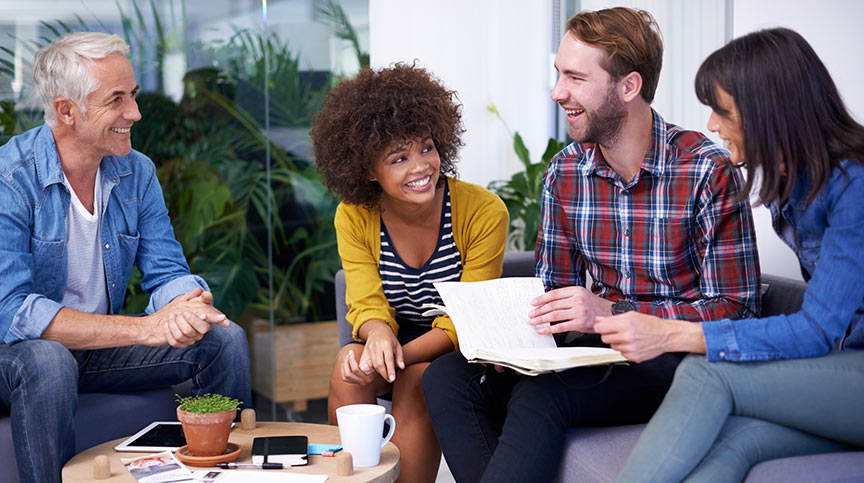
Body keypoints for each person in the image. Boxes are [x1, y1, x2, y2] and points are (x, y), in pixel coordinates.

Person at [422, 7, 762, 482]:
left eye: (575, 78)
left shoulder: (706, 171)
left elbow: (738, 311)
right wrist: (513, 342)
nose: (558, 92)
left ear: (628, 87)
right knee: (446, 378)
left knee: (545, 394)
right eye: (558, 73)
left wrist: (608, 312)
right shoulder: (564, 173)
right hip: (592, 353)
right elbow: (554, 290)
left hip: (674, 362)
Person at [605, 27, 864, 483]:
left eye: (722, 110)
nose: (711, 125)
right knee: (736, 441)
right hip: (845, 370)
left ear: (770, 111)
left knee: (706, 374)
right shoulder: (800, 185)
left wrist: (669, 334)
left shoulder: (854, 186)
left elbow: (818, 330)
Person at [0, 32, 250, 483]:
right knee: (49, 359)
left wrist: (187, 303)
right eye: (116, 100)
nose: (134, 113)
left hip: (94, 352)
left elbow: (166, 270)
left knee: (222, 340)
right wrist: (146, 328)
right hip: (15, 357)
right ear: (66, 110)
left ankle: (223, 474)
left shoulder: (136, 171)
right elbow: (12, 311)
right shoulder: (10, 179)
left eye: (131, 95)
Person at [310, 63, 508, 483]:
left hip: (459, 350)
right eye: (398, 158)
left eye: (427, 148)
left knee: (417, 378)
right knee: (347, 363)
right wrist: (378, 336)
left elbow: (469, 319)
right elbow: (364, 300)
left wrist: (396, 356)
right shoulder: (354, 215)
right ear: (367, 169)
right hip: (393, 341)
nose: (420, 167)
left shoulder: (484, 211)